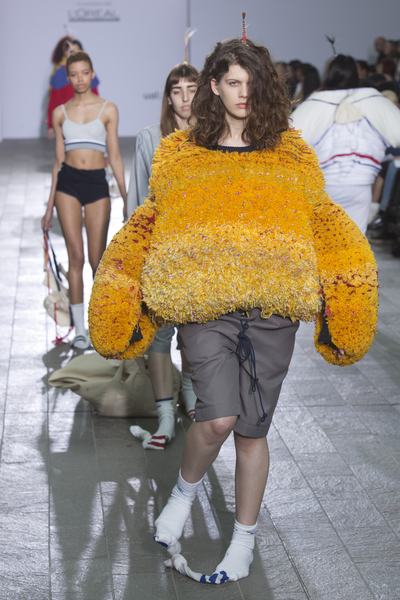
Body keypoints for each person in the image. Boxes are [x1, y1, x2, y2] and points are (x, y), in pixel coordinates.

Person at [89, 39, 378, 583]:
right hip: (205, 304)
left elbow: (321, 218)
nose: (244, 93)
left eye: (252, 83)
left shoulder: (290, 151)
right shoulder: (180, 153)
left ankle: (243, 539)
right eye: (234, 82)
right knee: (217, 417)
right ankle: (184, 492)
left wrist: (348, 298)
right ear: (215, 87)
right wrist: (121, 292)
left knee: (251, 431)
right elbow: (152, 220)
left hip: (274, 310)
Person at [127, 63, 199, 450]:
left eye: (192, 89)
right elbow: (138, 200)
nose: (185, 98)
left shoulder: (213, 137)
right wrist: (134, 255)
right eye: (177, 90)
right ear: (168, 97)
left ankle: (191, 398)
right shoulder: (150, 138)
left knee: (195, 332)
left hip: (200, 253)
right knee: (159, 334)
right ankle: (165, 416)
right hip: (160, 251)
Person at [42, 51, 127, 349]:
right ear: (68, 77)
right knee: (75, 257)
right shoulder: (60, 113)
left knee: (97, 259)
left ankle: (100, 325)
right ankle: (80, 331)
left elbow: (115, 156)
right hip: (68, 183)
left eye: (84, 73)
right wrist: (49, 207)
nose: (79, 79)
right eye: (74, 74)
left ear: (92, 74)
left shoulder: (108, 109)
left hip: (96, 183)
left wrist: (127, 196)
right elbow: (57, 162)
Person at [291, 54, 400, 232]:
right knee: (356, 242)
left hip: (324, 184)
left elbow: (288, 141)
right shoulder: (373, 100)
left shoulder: (316, 102)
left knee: (324, 239)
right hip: (361, 184)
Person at [47, 37, 100, 137]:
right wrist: (51, 125)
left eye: (77, 51)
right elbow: (53, 102)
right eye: (71, 51)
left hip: (88, 123)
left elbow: (96, 98)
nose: (74, 54)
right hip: (65, 124)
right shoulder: (59, 74)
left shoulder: (89, 73)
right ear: (65, 53)